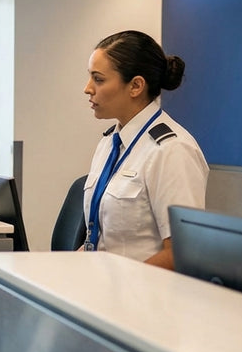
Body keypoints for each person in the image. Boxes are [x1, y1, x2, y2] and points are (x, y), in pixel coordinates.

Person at [81, 29, 209, 268]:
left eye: (98, 79)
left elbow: (182, 252)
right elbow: (98, 241)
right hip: (101, 291)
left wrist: (118, 286)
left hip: (142, 297)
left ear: (136, 86)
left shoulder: (172, 150)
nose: (88, 88)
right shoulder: (109, 143)